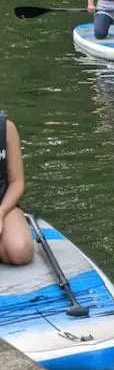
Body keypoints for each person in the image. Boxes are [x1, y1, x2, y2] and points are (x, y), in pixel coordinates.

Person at [0, 112, 34, 266]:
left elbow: (17, 182)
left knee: (20, 251)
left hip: (3, 202)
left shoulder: (6, 128)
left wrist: (1, 212)